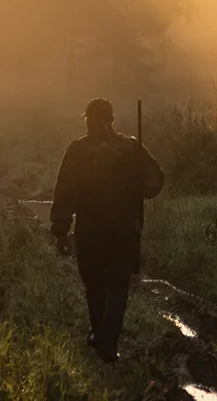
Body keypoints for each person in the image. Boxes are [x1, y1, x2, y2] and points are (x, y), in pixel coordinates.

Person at [50, 97, 165, 363]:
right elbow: (156, 181)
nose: (90, 124)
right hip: (125, 229)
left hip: (91, 230)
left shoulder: (78, 150)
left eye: (90, 120)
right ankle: (107, 342)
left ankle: (102, 337)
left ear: (93, 120)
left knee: (95, 284)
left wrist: (60, 230)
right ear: (111, 120)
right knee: (117, 286)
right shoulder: (131, 147)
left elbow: (65, 191)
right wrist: (137, 188)